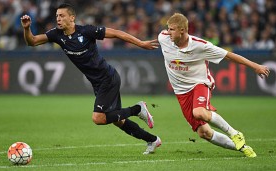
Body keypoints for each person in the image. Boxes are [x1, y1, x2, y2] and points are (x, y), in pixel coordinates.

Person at [20, 3, 161, 154]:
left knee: (98, 118)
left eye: (62, 16)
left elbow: (116, 33)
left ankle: (137, 109)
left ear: (72, 18)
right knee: (118, 120)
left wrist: (140, 43)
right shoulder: (57, 34)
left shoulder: (86, 31)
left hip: (108, 78)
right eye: (56, 16)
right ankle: (152, 140)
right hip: (97, 83)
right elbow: (32, 42)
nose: (58, 19)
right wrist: (27, 28)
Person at [158, 13, 270, 157]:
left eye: (172, 29)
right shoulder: (163, 38)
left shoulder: (201, 46)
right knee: (204, 133)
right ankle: (243, 148)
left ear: (183, 30)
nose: (169, 32)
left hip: (200, 83)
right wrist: (142, 44)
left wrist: (255, 66)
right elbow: (153, 41)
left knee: (198, 112)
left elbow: (229, 56)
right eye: (168, 29)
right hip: (181, 92)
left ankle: (234, 133)